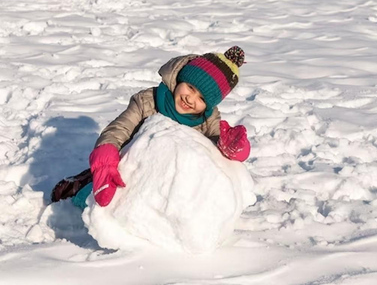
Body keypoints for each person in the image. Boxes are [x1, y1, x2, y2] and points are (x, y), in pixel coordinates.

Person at [51, 46, 250, 208]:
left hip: (170, 183)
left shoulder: (208, 121)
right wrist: (106, 158)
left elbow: (217, 153)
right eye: (191, 87)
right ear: (180, 79)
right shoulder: (148, 101)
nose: (191, 99)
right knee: (92, 201)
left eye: (201, 99)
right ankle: (83, 182)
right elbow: (120, 129)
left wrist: (232, 148)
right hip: (128, 167)